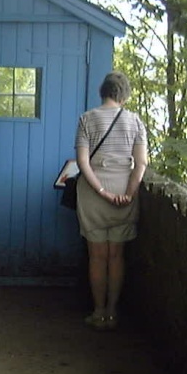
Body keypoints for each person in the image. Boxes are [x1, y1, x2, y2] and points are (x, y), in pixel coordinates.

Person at [74, 71, 148, 329]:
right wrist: (128, 193)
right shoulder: (135, 122)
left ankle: (98, 312)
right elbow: (141, 164)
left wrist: (102, 192)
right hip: (124, 191)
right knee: (116, 256)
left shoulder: (87, 119)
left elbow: (83, 163)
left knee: (97, 256)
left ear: (102, 92)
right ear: (124, 95)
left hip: (94, 193)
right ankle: (113, 313)